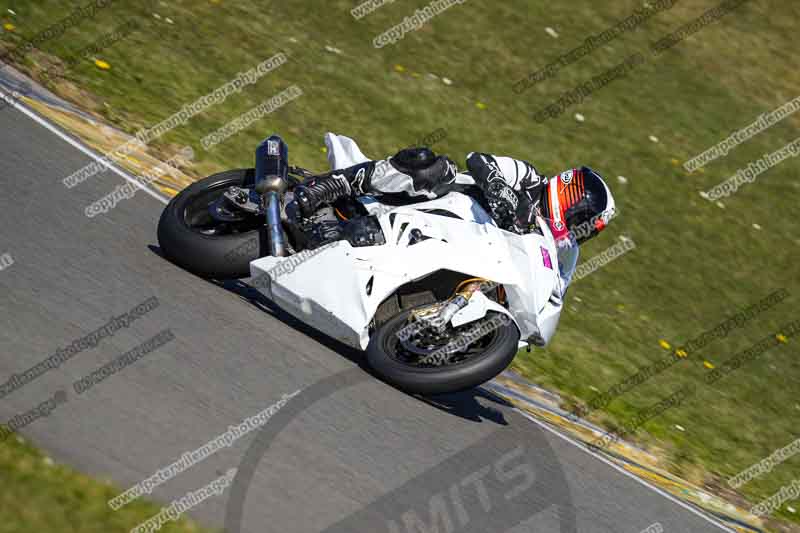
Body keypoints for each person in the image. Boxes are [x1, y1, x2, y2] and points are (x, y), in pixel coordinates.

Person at [292, 146, 616, 244]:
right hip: (438, 198)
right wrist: (500, 190)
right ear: (571, 192)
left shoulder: (542, 245)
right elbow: (479, 159)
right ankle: (332, 186)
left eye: (585, 226)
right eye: (581, 217)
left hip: (449, 243)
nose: (577, 226)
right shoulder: (530, 178)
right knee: (430, 164)